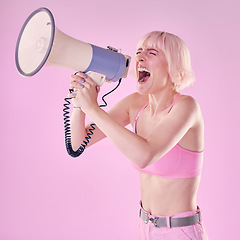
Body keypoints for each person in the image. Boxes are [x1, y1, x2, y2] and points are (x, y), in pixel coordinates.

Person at [68, 31, 208, 239]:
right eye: (139, 52)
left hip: (180, 232)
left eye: (152, 53)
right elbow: (79, 142)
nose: (140, 58)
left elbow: (145, 155)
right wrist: (80, 101)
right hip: (145, 228)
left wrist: (94, 109)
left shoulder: (186, 107)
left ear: (174, 66)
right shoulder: (135, 103)